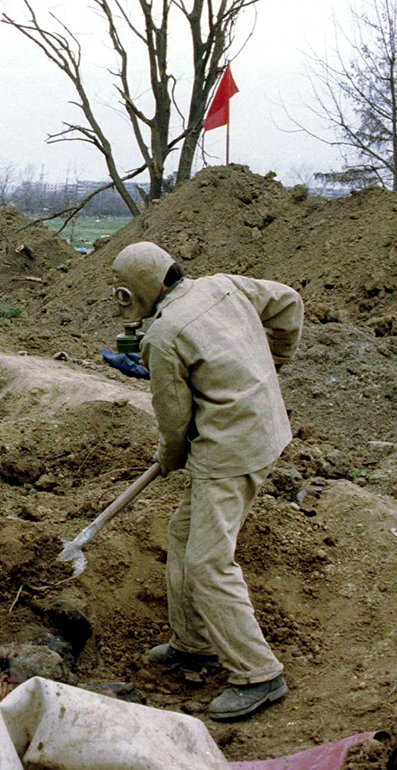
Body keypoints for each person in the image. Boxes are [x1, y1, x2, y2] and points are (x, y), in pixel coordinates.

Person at [107, 241, 303, 721]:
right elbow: (289, 302)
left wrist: (169, 458)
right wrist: (275, 361)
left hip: (231, 452)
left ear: (137, 291)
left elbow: (174, 423)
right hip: (264, 429)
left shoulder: (164, 334)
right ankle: (193, 642)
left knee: (208, 564)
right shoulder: (223, 285)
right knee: (182, 534)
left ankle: (259, 674)